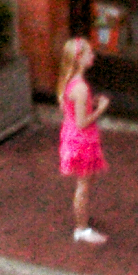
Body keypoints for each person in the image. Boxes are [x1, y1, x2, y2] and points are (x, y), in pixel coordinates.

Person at [56, 36, 108, 245]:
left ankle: (82, 216)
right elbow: (82, 122)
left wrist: (89, 103)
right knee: (83, 185)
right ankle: (81, 228)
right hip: (83, 141)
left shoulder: (69, 83)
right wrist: (101, 109)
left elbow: (71, 108)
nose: (93, 56)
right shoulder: (81, 88)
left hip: (72, 137)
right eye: (89, 53)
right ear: (79, 58)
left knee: (86, 182)